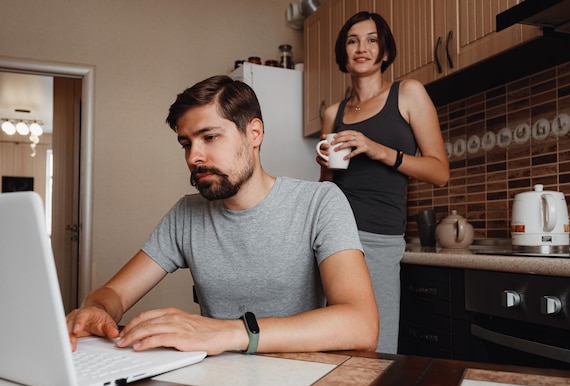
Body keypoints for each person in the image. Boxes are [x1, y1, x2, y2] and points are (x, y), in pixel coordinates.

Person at [67, 75, 379, 356]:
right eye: (186, 144)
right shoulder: (186, 214)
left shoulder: (320, 202)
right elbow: (115, 293)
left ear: (254, 133)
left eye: (210, 137)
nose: (194, 157)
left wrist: (229, 332)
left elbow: (361, 324)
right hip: (217, 379)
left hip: (298, 377)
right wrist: (95, 308)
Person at [316, 12, 449, 354]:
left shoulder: (408, 94)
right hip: (331, 235)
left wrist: (378, 150)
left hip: (380, 238)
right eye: (352, 40)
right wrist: (325, 166)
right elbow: (327, 187)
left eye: (372, 39)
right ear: (343, 53)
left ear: (385, 52)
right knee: (328, 347)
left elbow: (439, 172)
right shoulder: (333, 112)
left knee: (376, 347)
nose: (362, 47)